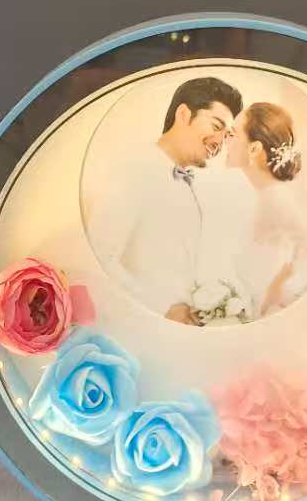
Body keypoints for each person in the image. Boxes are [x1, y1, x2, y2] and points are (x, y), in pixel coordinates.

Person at [89, 76, 242, 323]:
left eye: (227, 135)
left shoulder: (188, 186)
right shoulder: (133, 169)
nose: (220, 142)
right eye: (216, 126)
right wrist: (163, 309)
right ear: (183, 114)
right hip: (137, 325)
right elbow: (100, 259)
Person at [223, 102, 307, 317]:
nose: (225, 141)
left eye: (233, 134)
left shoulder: (276, 197)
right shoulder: (260, 194)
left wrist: (276, 287)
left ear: (254, 148)